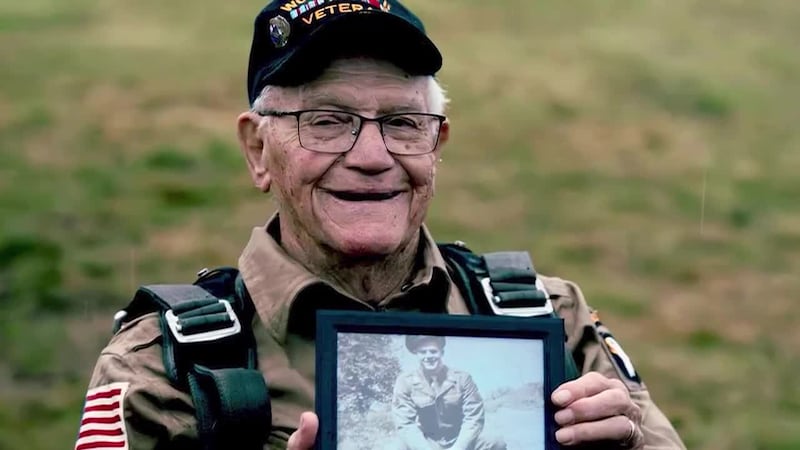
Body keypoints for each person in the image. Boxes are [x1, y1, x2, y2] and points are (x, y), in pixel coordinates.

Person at [75, 0, 688, 449]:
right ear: (259, 150)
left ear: (437, 143)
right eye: (326, 119)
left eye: (402, 122)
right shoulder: (168, 366)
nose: (372, 157)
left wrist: (627, 444)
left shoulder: (545, 322)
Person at [390, 336, 505, 450]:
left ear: (442, 352)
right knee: (394, 447)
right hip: (428, 442)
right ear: (416, 354)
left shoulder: (462, 379)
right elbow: (405, 424)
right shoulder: (405, 382)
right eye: (423, 352)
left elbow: (473, 418)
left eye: (433, 351)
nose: (428, 356)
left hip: (460, 438)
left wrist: (459, 447)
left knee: (494, 442)